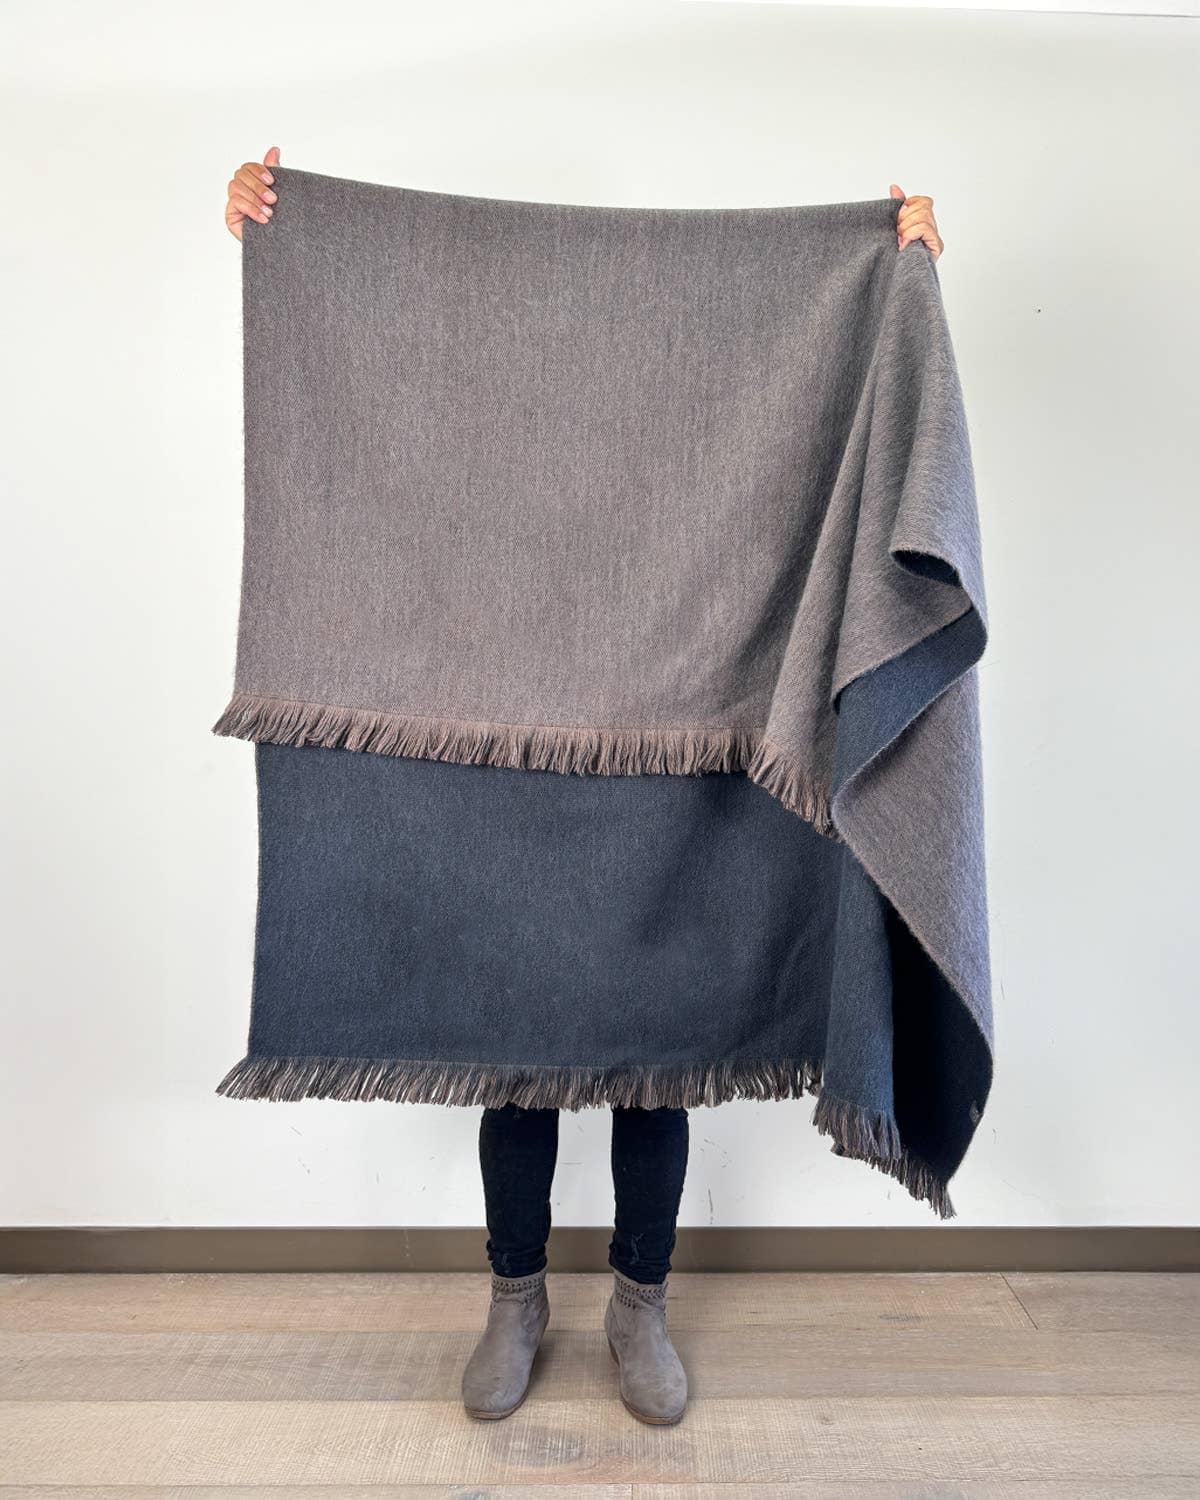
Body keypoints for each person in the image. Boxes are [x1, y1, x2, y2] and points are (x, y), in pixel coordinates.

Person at [223, 146, 945, 1428]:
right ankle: (514, 1298)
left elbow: (825, 357)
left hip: (685, 708)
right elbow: (381, 323)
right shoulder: (484, 371)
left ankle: (638, 1302)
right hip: (503, 703)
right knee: (519, 1055)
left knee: (660, 1054)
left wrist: (896, 269)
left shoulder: (693, 351)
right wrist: (284, 234)